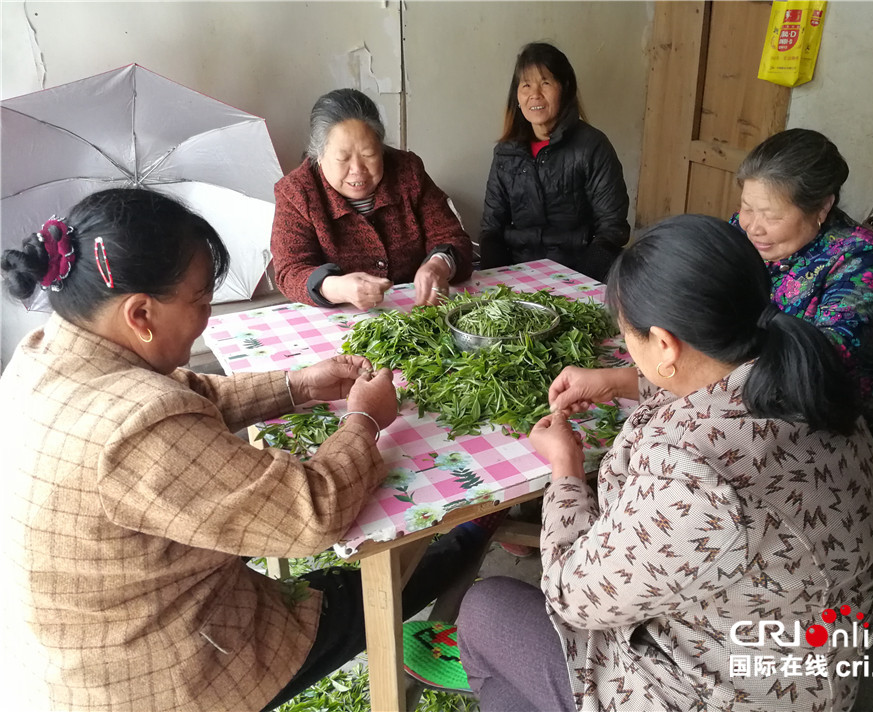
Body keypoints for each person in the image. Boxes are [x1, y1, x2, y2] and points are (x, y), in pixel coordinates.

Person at [0, 188, 490, 712]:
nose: (207, 316)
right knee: (381, 575)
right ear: (140, 314)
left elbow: (188, 393)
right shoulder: (138, 428)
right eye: (201, 303)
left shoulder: (42, 353)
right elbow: (316, 510)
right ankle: (468, 543)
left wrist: (298, 384)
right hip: (159, 673)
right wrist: (364, 418)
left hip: (76, 641)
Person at [456, 215, 873, 712]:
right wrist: (620, 381)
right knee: (510, 686)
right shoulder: (809, 378)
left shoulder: (694, 480)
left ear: (664, 346)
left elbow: (572, 595)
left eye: (628, 336)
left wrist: (566, 469)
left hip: (719, 694)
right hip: (803, 665)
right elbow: (717, 383)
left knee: (485, 611)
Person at [732, 128, 873, 440]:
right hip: (737, 380)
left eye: (771, 216)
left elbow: (825, 357)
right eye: (747, 208)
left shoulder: (860, 257)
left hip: (821, 414)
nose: (754, 227)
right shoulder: (740, 234)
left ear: (822, 207)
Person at [270, 88, 473, 311]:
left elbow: (452, 236)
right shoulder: (297, 192)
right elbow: (290, 271)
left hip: (416, 309)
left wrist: (439, 266)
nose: (357, 170)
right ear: (318, 156)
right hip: (342, 318)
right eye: (343, 158)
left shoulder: (408, 172)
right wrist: (336, 287)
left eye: (369, 155)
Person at [478, 42, 630, 282]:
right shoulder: (505, 152)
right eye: (526, 85)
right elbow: (491, 228)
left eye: (545, 83)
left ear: (565, 89)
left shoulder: (592, 146)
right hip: (519, 273)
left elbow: (612, 228)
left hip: (580, 271)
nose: (534, 94)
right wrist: (498, 283)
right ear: (516, 96)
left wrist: (577, 283)